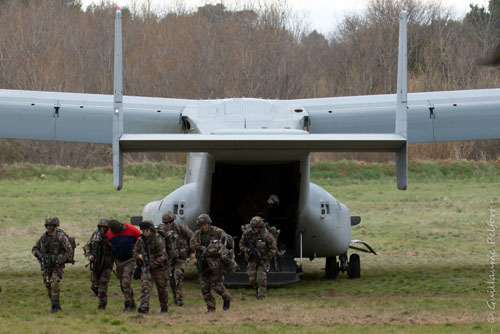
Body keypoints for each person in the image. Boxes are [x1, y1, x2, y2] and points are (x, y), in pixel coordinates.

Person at [190, 213, 232, 313]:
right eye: (202, 225)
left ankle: (226, 297)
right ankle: (211, 309)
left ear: (209, 224)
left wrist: (221, 248)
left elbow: (228, 240)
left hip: (215, 264)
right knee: (204, 288)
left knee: (217, 286)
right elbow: (192, 243)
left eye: (205, 224)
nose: (204, 226)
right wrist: (202, 248)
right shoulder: (198, 234)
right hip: (203, 264)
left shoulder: (217, 231)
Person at [32, 216, 74, 313]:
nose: (49, 228)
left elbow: (69, 251)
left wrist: (61, 259)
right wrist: (39, 255)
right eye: (48, 226)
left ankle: (55, 306)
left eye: (51, 226)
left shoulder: (61, 237)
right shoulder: (43, 238)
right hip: (46, 265)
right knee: (48, 285)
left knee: (54, 284)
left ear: (55, 226)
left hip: (57, 265)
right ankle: (56, 305)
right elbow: (34, 248)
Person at [157, 211, 194, 307]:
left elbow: (192, 238)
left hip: (180, 257)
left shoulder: (181, 228)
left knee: (178, 275)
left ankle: (179, 298)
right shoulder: (161, 230)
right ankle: (175, 297)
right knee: (171, 279)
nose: (169, 224)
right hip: (169, 259)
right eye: (166, 223)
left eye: (170, 222)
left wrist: (192, 251)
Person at [133, 220, 169, 314]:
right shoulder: (140, 240)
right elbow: (134, 251)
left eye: (147, 230)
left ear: (151, 230)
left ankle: (164, 308)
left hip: (159, 268)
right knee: (145, 288)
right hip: (146, 267)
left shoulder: (158, 239)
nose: (145, 232)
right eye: (143, 230)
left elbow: (163, 256)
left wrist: (153, 264)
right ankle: (144, 307)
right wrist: (139, 256)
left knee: (162, 289)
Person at [239, 216, 277, 299]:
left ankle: (261, 295)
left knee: (261, 278)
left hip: (263, 259)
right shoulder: (247, 234)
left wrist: (266, 257)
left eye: (257, 228)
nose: (256, 229)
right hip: (251, 259)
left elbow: (273, 248)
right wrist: (248, 250)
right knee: (252, 280)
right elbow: (241, 245)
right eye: (254, 228)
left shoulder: (266, 235)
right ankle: (258, 289)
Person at [107, 219, 141, 311]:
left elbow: (140, 240)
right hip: (118, 261)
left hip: (130, 259)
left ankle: (127, 304)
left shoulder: (131, 230)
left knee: (125, 282)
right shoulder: (109, 233)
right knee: (123, 284)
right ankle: (132, 303)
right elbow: (109, 244)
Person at [83, 218, 113, 310]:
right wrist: (90, 255)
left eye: (105, 227)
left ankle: (102, 306)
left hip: (106, 265)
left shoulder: (111, 236)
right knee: (94, 286)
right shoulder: (95, 234)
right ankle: (101, 298)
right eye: (101, 227)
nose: (103, 229)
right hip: (95, 263)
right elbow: (87, 246)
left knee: (102, 286)